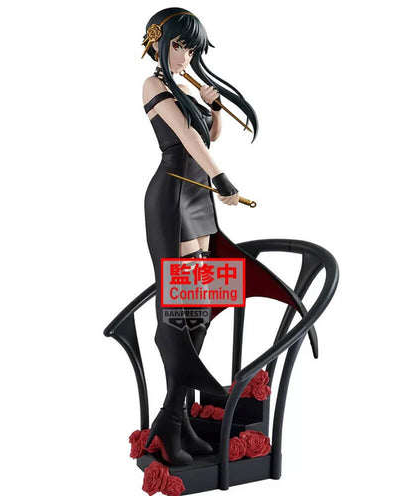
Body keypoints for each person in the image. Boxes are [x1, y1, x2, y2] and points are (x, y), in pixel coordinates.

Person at [141, 8, 258, 465]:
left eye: (192, 49)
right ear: (157, 41)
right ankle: (172, 421)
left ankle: (176, 417)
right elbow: (188, 139)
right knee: (181, 311)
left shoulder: (185, 86)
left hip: (197, 198)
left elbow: (208, 134)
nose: (185, 55)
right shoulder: (153, 85)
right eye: (178, 45)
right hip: (173, 195)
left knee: (201, 309)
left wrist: (214, 105)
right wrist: (222, 178)